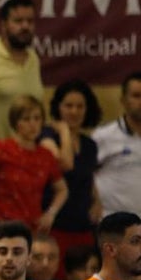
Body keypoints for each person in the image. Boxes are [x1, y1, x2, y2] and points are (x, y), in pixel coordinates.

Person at [0, 95, 67, 233]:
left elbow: (62, 189)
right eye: (26, 119)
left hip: (32, 229)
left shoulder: (45, 155)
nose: (32, 124)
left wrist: (51, 213)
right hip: (1, 227)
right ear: (16, 122)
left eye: (37, 118)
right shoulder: (1, 149)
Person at [93, 73, 141, 238]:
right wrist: (95, 203)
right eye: (136, 96)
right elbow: (87, 174)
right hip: (112, 227)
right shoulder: (103, 135)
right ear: (123, 100)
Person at [39, 80, 102, 260]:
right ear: (58, 107)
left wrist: (97, 202)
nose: (74, 111)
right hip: (56, 225)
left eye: (80, 106)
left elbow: (89, 175)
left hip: (83, 226)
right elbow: (65, 164)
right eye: (68, 106)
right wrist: (65, 131)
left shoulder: (89, 144)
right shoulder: (47, 136)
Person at [0, 0, 43, 147]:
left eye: (30, 21)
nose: (25, 26)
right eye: (18, 21)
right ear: (3, 25)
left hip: (27, 158)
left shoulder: (34, 59)